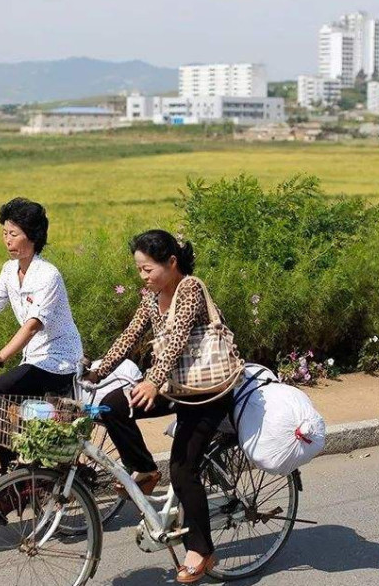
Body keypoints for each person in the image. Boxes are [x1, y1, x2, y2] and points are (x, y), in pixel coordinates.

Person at [85, 229, 235, 584]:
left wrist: (152, 380)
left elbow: (178, 338)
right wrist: (97, 370)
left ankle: (202, 552)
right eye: (139, 270)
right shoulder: (151, 297)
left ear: (171, 262)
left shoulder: (191, 289)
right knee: (111, 405)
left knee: (183, 470)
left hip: (208, 390)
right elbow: (130, 334)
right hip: (175, 385)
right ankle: (146, 471)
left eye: (148, 269)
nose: (143, 277)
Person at [0, 197, 83, 474]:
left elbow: (33, 325)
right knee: (4, 405)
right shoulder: (9, 271)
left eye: (14, 234)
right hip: (34, 359)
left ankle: (16, 476)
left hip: (59, 361)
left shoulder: (48, 275)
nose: (7, 240)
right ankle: (21, 469)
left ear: (33, 237)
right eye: (4, 233)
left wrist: (2, 355)